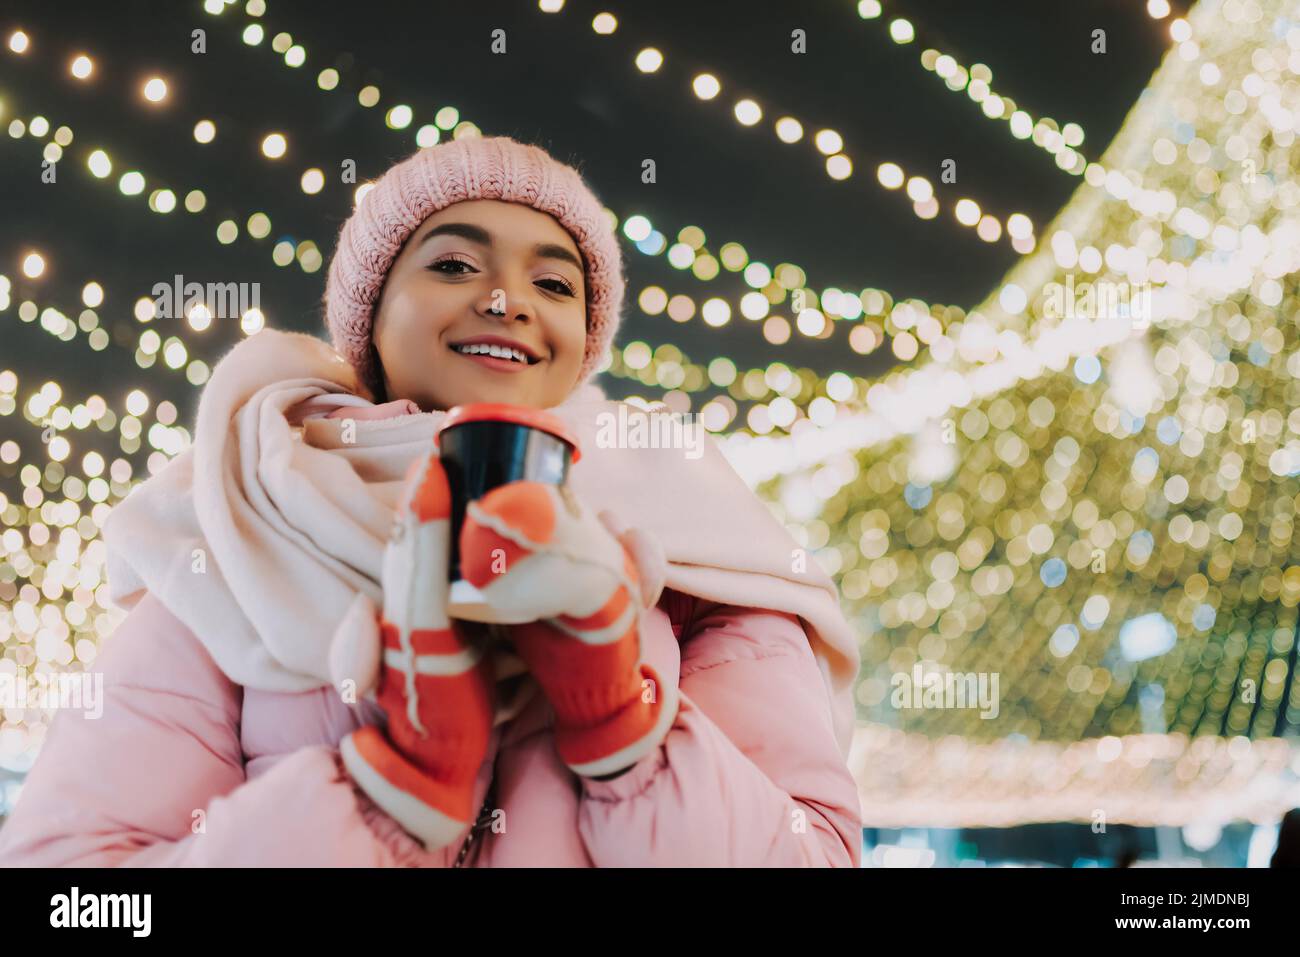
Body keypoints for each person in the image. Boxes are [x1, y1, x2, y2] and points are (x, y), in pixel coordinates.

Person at [0, 136, 863, 867]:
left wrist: (624, 724)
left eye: (555, 284)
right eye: (453, 263)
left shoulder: (704, 557)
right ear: (369, 317)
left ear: (584, 341)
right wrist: (389, 792)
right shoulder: (240, 533)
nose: (506, 299)